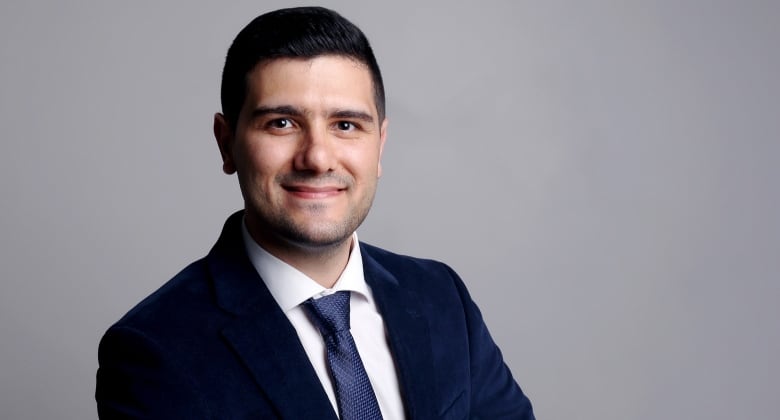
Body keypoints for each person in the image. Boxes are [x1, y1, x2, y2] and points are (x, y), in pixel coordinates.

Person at [96, 6, 535, 419]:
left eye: (345, 125)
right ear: (226, 143)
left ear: (379, 146)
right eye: (281, 123)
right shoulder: (155, 351)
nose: (318, 158)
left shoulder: (442, 297)